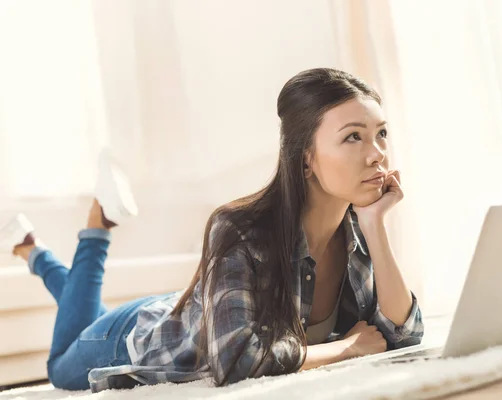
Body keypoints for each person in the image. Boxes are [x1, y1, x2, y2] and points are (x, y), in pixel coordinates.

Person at [0, 67, 423, 393]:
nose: (378, 154)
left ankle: (30, 250)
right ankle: (97, 227)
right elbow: (237, 362)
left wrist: (375, 224)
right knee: (60, 362)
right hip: (129, 336)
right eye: (353, 137)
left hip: (187, 309)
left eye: (381, 133)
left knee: (81, 315)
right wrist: (345, 348)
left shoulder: (356, 231)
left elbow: (401, 335)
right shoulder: (239, 229)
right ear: (306, 158)